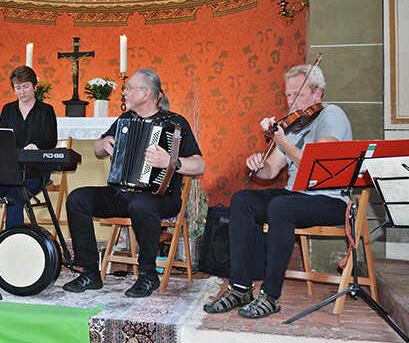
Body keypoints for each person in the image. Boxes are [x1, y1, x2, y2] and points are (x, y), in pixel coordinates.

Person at [203, 64, 352, 319]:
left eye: (298, 95)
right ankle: (240, 288)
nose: (291, 102)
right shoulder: (295, 124)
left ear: (317, 95)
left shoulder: (331, 115)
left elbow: (317, 168)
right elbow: (271, 171)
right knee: (242, 200)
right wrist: (258, 165)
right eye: (288, 95)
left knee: (280, 206)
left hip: (330, 198)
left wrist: (281, 140)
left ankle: (271, 296)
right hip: (296, 198)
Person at [63, 68, 205, 298]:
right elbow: (99, 151)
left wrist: (171, 162)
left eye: (128, 88)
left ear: (146, 93)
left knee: (141, 204)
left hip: (162, 198)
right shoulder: (125, 119)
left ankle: (148, 274)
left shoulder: (175, 123)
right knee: (78, 198)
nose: (124, 93)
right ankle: (90, 272)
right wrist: (104, 143)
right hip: (121, 194)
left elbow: (200, 165)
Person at [0, 65, 58, 233]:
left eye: (26, 86)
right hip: (10, 169)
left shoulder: (46, 110)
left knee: (15, 197)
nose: (22, 92)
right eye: (18, 88)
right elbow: (2, 139)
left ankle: (11, 241)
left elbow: (51, 140)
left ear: (35, 86)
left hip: (35, 171)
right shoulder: (8, 110)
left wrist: (35, 146)